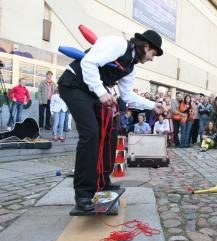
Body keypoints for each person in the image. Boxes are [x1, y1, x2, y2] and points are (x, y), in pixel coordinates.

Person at [57, 29, 164, 211]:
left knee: (109, 134)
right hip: (74, 85)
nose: (152, 59)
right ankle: (83, 193)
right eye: (153, 54)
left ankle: (102, 180)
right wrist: (101, 92)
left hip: (94, 92)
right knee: (91, 135)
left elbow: (128, 95)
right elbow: (88, 62)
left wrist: (152, 105)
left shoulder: (130, 68)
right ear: (146, 46)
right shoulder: (117, 44)